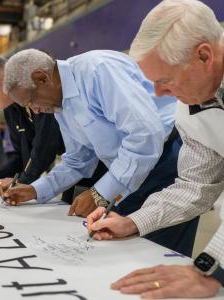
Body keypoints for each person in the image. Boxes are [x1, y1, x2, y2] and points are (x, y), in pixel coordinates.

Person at [87, 0, 224, 298]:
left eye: (165, 81)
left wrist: (211, 268)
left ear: (204, 55)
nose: (159, 94)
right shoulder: (189, 108)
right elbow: (195, 185)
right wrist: (133, 221)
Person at [1, 49, 198, 256]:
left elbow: (145, 136)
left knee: (158, 258)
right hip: (131, 169)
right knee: (124, 251)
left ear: (42, 78)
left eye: (31, 100)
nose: (35, 110)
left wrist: (100, 193)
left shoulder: (98, 70)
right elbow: (78, 159)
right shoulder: (60, 106)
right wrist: (35, 190)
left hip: (167, 164)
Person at [0, 55, 92, 203]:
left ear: (3, 81)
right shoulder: (11, 109)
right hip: (75, 166)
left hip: (92, 166)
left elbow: (45, 147)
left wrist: (23, 182)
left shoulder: (39, 96)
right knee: (68, 206)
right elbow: (22, 155)